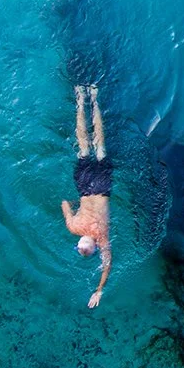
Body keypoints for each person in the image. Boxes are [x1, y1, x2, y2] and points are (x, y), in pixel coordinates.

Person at [61, 84, 113, 308]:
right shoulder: (87, 232)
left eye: (79, 249)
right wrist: (99, 290)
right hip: (93, 187)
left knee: (92, 147)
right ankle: (88, 99)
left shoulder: (87, 232)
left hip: (93, 188)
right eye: (85, 251)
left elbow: (64, 203)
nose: (81, 248)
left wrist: (76, 202)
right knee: (91, 146)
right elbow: (108, 263)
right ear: (91, 248)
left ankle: (88, 100)